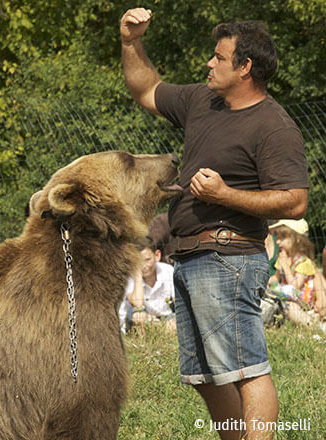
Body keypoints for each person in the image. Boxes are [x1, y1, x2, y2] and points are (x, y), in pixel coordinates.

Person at [121, 9, 309, 439]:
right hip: (188, 255)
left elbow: (296, 201)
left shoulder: (274, 127)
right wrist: (131, 41)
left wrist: (225, 195)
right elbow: (146, 88)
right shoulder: (202, 101)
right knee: (207, 379)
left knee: (246, 370)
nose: (209, 63)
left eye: (219, 58)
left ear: (245, 68)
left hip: (230, 256)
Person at [268, 219, 326, 330]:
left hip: (303, 305)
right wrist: (266, 282)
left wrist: (285, 267)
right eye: (277, 237)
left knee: (291, 308)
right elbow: (276, 278)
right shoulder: (282, 258)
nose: (278, 242)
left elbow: (295, 286)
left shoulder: (304, 262)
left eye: (283, 237)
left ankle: (315, 327)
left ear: (297, 239)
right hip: (286, 299)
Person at [118, 238, 175, 333]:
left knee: (177, 322)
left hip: (165, 318)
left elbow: (176, 300)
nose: (144, 266)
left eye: (147, 260)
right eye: (139, 261)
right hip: (140, 318)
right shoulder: (130, 277)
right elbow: (138, 304)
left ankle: (159, 330)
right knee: (139, 317)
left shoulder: (168, 270)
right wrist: (137, 275)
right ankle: (163, 330)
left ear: (157, 255)